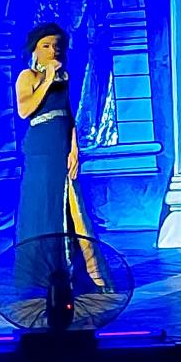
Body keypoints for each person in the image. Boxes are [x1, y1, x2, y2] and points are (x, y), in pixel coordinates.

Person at [15, 23, 111, 293]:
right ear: (35, 50)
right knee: (43, 205)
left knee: (71, 206)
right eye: (46, 46)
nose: (53, 50)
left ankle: (81, 272)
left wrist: (75, 149)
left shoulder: (65, 78)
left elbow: (68, 115)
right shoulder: (27, 76)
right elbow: (25, 110)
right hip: (40, 148)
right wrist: (46, 79)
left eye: (57, 45)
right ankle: (41, 275)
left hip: (62, 145)